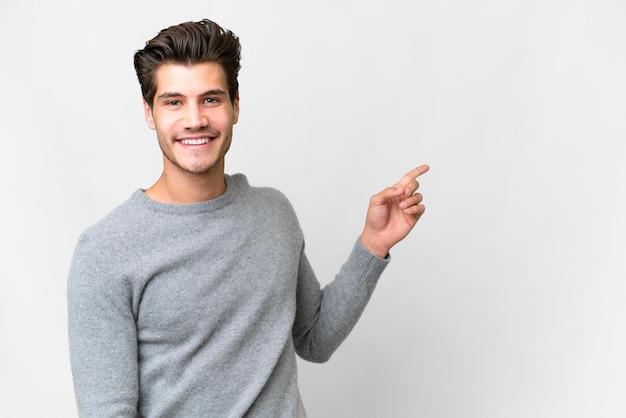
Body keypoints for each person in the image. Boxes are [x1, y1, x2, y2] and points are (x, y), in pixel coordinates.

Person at [67, 18, 429, 418]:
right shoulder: (105, 251)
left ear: (235, 105)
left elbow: (314, 340)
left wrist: (373, 244)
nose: (194, 120)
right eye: (173, 102)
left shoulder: (273, 214)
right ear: (149, 113)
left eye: (210, 99)